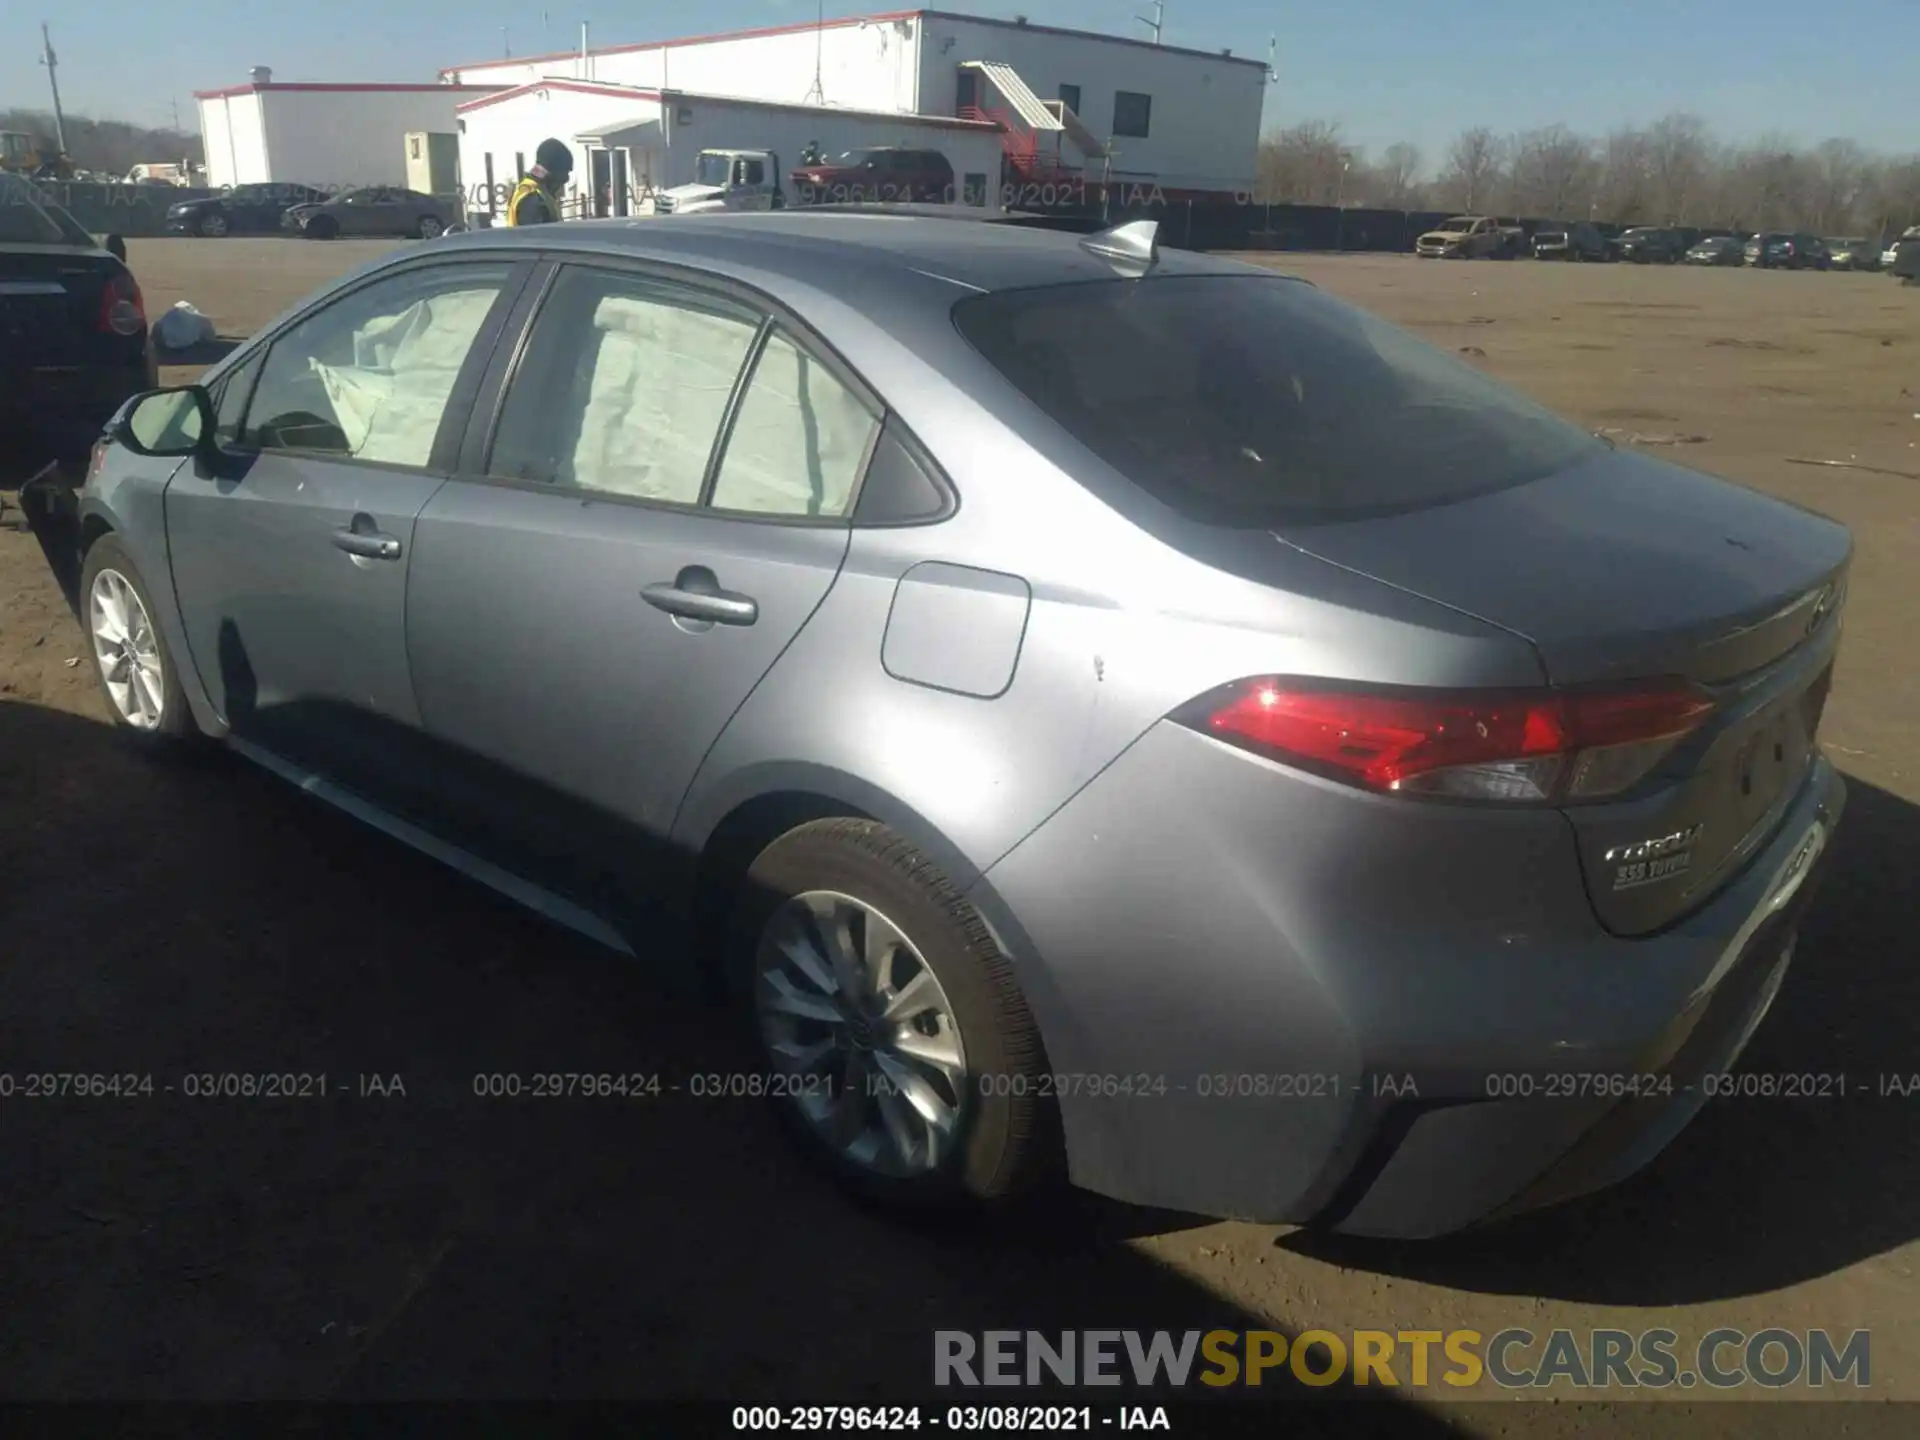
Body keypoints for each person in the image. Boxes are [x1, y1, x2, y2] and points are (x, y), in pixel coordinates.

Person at [507, 138, 573, 226]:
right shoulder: (532, 199)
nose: (566, 179)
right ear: (551, 171)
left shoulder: (539, 193)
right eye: (564, 172)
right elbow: (535, 237)